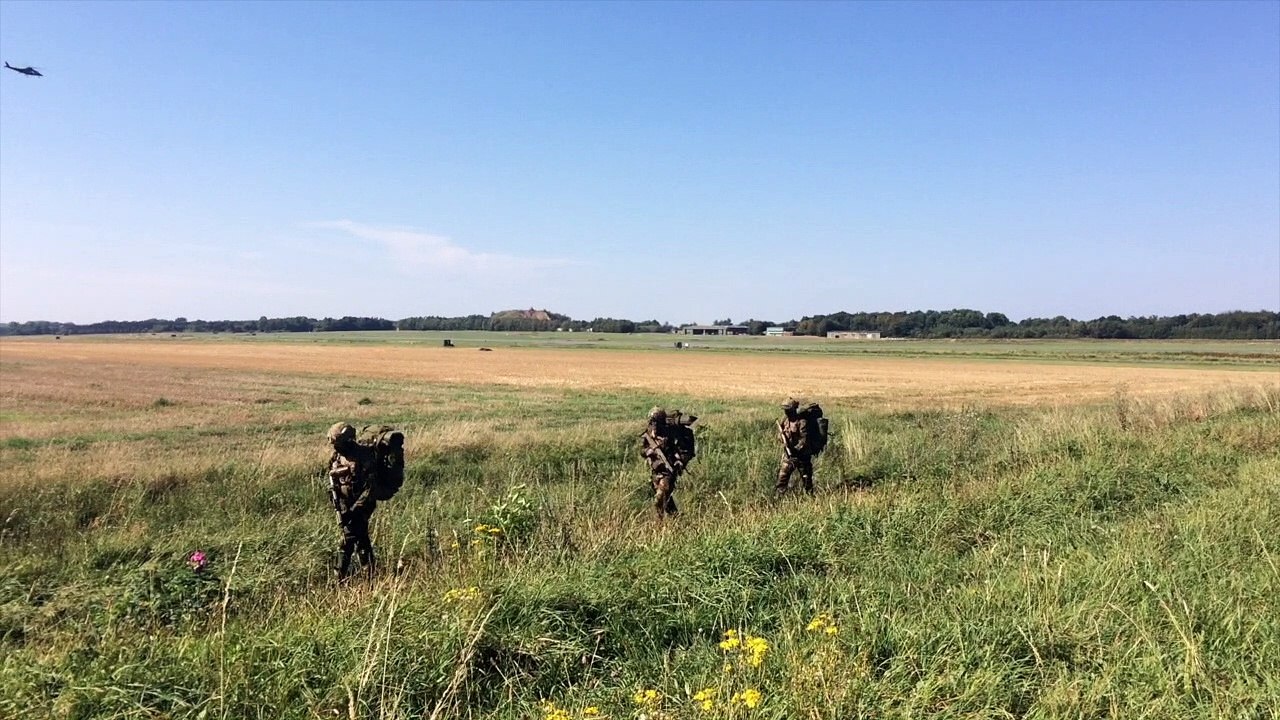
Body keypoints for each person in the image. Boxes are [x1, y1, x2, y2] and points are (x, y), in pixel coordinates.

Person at [326, 422, 377, 579]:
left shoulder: (364, 455)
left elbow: (370, 487)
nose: (336, 447)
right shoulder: (336, 457)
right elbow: (331, 480)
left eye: (338, 444)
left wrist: (356, 509)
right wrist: (340, 506)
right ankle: (368, 575)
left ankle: (341, 577)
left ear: (348, 440)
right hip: (345, 505)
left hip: (362, 505)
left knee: (350, 539)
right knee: (359, 538)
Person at [640, 407, 692, 519]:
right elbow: (642, 450)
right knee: (666, 500)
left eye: (656, 421)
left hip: (668, 470)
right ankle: (676, 519)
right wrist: (649, 451)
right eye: (652, 421)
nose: (654, 424)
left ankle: (659, 524)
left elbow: (681, 450)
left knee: (659, 499)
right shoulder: (649, 433)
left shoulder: (670, 434)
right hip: (655, 471)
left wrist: (679, 461)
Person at [776, 398, 815, 495]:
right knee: (782, 479)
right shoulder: (785, 420)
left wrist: (795, 450)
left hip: (802, 457)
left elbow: (804, 440)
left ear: (793, 409)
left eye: (788, 410)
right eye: (785, 410)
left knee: (806, 481)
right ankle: (778, 498)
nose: (786, 412)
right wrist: (782, 439)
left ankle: (810, 499)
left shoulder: (801, 422)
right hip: (789, 456)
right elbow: (780, 435)